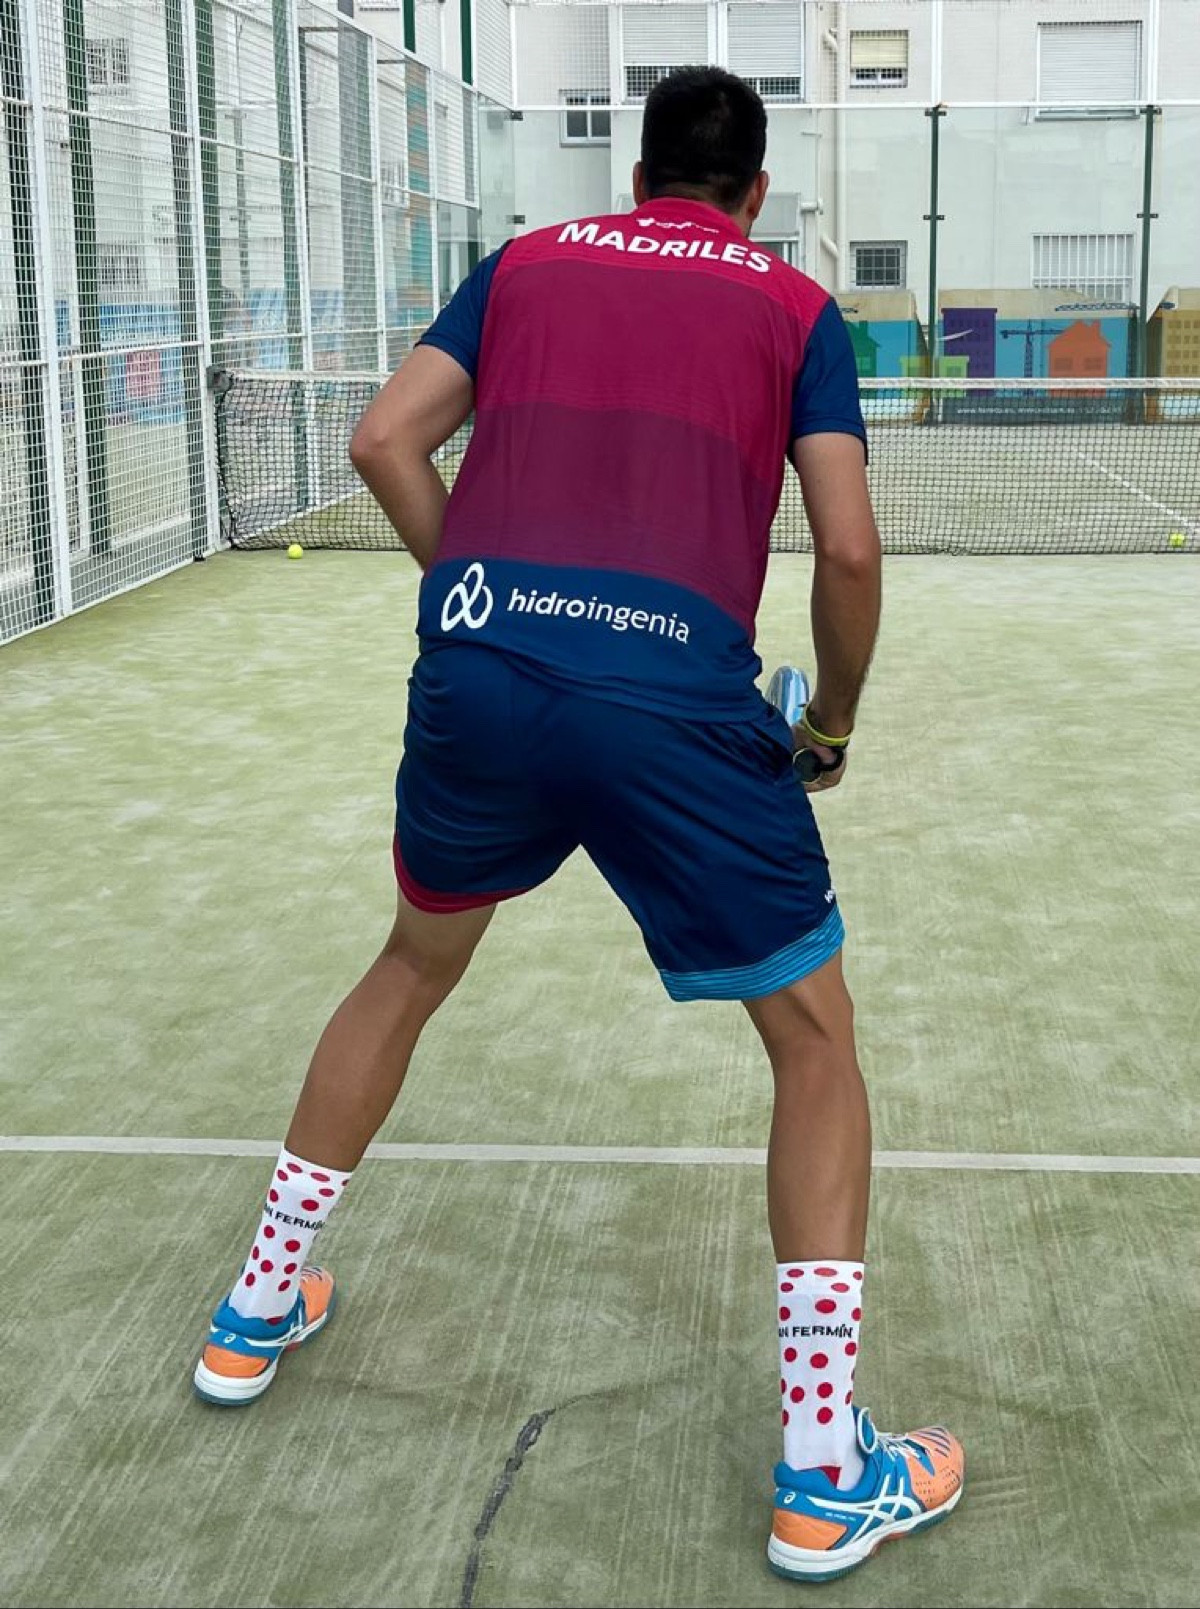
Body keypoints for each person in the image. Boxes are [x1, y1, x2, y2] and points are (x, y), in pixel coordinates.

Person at [193, 66, 963, 1582]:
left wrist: (473, 593)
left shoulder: (527, 262)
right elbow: (851, 555)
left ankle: (255, 1307)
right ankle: (825, 1470)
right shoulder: (795, 306)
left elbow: (382, 442)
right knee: (814, 1039)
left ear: (637, 177)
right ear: (752, 192)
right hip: (674, 700)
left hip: (480, 674)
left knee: (410, 965)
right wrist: (828, 728)